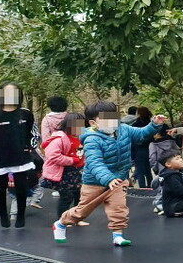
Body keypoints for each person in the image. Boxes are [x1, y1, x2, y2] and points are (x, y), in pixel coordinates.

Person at [53, 101, 167, 246]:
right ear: (94, 123)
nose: (112, 121)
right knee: (82, 212)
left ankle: (117, 235)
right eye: (106, 119)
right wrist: (108, 179)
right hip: (95, 183)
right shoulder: (92, 140)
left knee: (119, 208)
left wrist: (154, 124)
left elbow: (141, 135)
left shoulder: (124, 129)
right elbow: (95, 163)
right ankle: (61, 223)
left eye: (113, 117)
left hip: (118, 180)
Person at [0, 83, 35, 228]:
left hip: (20, 157)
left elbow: (30, 133)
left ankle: (21, 216)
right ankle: (3, 217)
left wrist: (28, 148)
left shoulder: (25, 114)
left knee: (21, 187)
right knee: (0, 188)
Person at [40, 112, 85, 218]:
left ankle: (76, 218)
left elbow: (81, 153)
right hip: (63, 173)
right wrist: (72, 160)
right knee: (66, 197)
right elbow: (53, 156)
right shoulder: (60, 139)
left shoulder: (79, 138)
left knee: (79, 194)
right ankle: (62, 220)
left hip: (76, 171)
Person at [158, 151, 183, 217]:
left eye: (180, 158)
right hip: (173, 206)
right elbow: (180, 191)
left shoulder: (181, 171)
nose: (181, 160)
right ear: (168, 164)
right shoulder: (170, 176)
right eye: (177, 159)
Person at [130, 106, 154, 188]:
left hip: (138, 150)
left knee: (140, 171)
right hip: (150, 149)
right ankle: (151, 187)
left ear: (139, 113)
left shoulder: (135, 125)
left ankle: (142, 189)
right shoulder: (151, 124)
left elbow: (132, 139)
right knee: (148, 170)